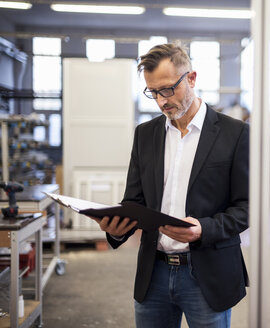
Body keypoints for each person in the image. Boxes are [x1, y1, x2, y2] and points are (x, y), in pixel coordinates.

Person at [91, 42, 249, 328]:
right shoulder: (146, 135)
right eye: (153, 92)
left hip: (206, 275)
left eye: (168, 89)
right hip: (154, 273)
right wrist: (116, 229)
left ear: (191, 78)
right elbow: (135, 201)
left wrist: (204, 229)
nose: (162, 100)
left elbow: (248, 206)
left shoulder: (234, 133)